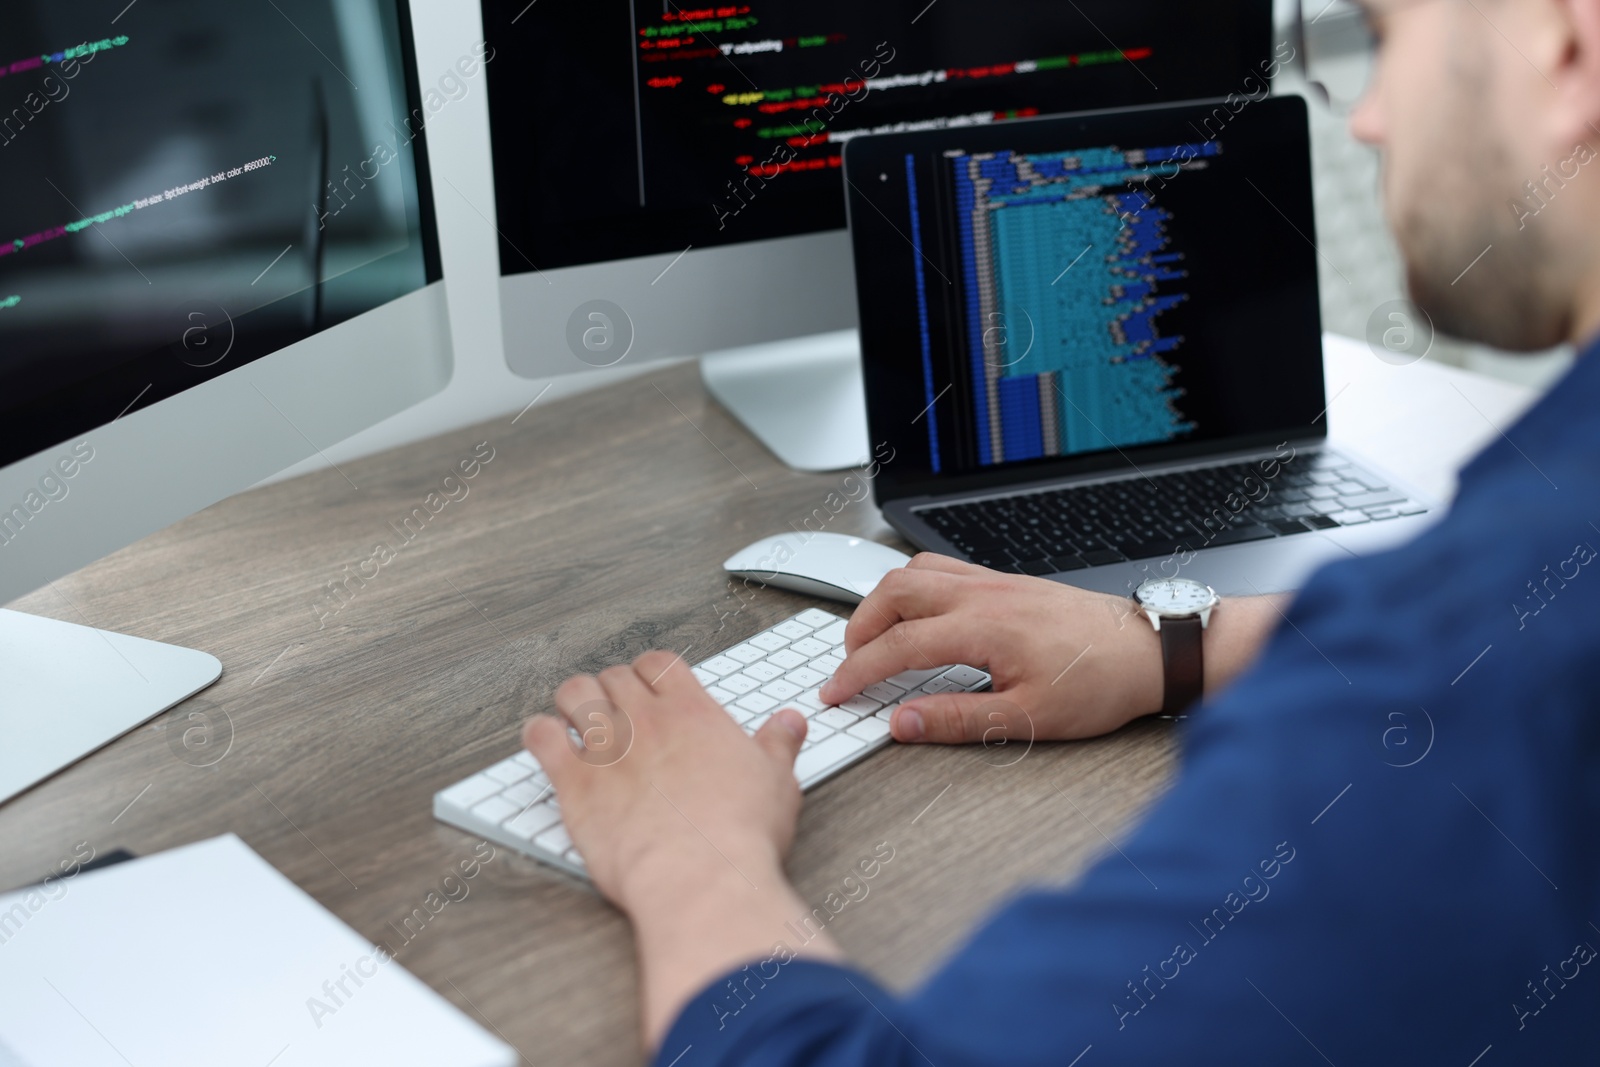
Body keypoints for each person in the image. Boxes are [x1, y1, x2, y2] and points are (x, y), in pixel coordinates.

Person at [523, 0, 1600, 1061]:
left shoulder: (1461, 683)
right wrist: (1172, 639)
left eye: (1386, 34)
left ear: (1567, 49)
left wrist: (691, 858)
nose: (1363, 120)